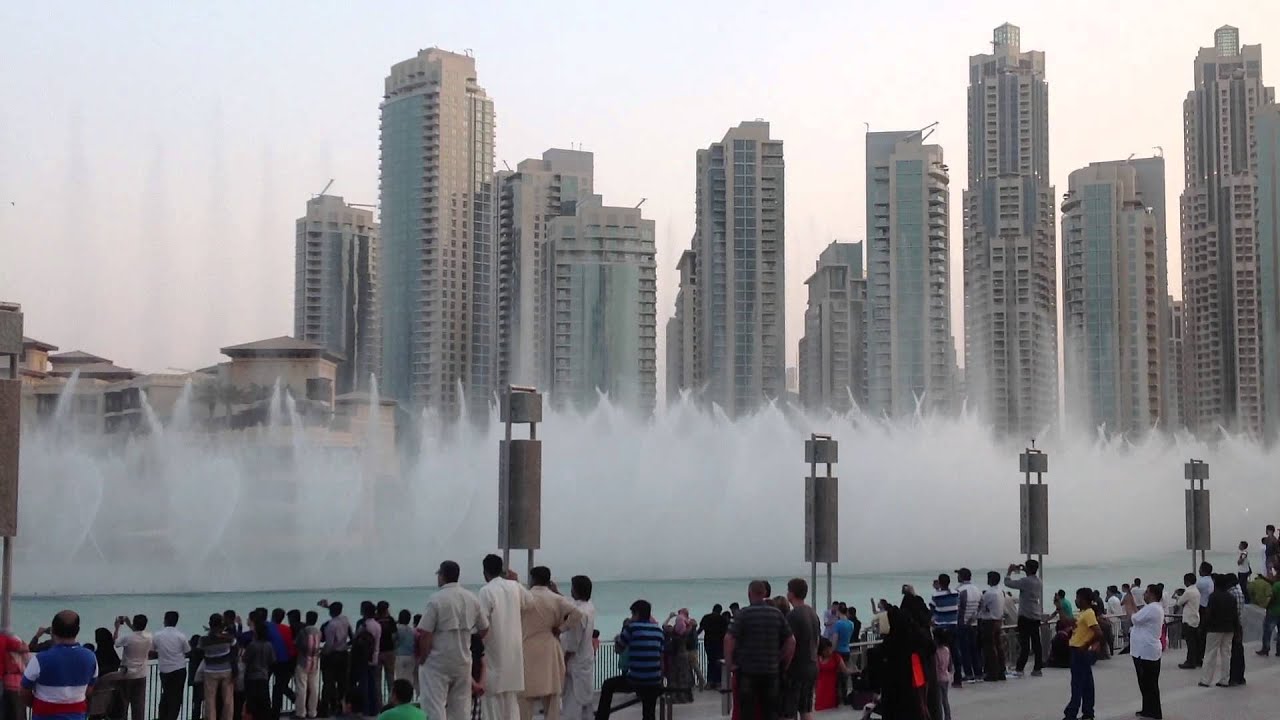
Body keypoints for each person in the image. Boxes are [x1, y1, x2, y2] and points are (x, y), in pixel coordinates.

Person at [418, 560, 489, 720]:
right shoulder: (471, 598)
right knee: (461, 708)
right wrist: (469, 641)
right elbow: (484, 628)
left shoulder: (436, 600)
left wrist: (423, 658)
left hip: (438, 662)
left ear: (442, 576)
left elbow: (426, 633)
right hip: (463, 660)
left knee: (435, 706)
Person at [725, 580, 795, 720]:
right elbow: (791, 641)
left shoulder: (743, 614)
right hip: (771, 672)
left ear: (749, 594)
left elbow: (728, 639)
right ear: (764, 594)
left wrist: (729, 664)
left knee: (747, 712)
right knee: (770, 712)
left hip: (747, 672)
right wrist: (781, 661)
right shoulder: (776, 614)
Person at [519, 566, 583, 720]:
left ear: (533, 579)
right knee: (552, 695)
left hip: (528, 647)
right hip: (550, 647)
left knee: (525, 696)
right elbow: (577, 614)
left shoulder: (525, 597)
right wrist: (561, 628)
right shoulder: (556, 598)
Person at [478, 555, 532, 720]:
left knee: (492, 707)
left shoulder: (486, 591)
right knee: (511, 706)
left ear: (485, 572)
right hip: (514, 658)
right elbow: (530, 602)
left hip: (494, 655)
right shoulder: (514, 586)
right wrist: (516, 581)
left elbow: (481, 623)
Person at [21, 611, 97, 720]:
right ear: (77, 630)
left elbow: (24, 691)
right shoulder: (90, 657)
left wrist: (37, 705)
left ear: (53, 631)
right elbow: (89, 690)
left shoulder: (40, 659)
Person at [596, 600, 665, 720]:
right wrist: (660, 679)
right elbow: (661, 657)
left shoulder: (632, 628)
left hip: (636, 679)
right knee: (649, 713)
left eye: (632, 614)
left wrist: (618, 638)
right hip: (654, 680)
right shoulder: (658, 631)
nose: (631, 617)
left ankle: (601, 718)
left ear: (637, 614)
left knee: (607, 685)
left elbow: (619, 649)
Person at [782, 578, 820, 720]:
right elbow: (817, 640)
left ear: (791, 593)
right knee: (805, 709)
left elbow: (790, 643)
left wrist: (784, 664)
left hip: (796, 668)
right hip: (811, 665)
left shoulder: (793, 615)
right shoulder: (812, 613)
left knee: (789, 711)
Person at [1062, 588, 1102, 720]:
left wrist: (1085, 645)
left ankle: (1071, 713)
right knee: (1086, 683)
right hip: (1078, 651)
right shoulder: (1083, 613)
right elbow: (1068, 621)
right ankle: (1088, 712)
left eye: (1077, 598)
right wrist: (1059, 607)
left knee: (1077, 683)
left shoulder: (1089, 613)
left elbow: (1098, 632)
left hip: (1080, 652)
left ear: (1084, 600)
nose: (1076, 600)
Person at [560, 576, 596, 720]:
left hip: (575, 664)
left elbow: (572, 644)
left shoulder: (579, 615)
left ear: (576, 590)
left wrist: (563, 662)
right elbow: (570, 603)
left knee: (572, 704)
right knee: (585, 702)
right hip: (585, 660)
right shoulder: (590, 607)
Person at [1004, 560, 1044, 677]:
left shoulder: (1025, 581)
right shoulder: (1039, 581)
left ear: (1028, 568)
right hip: (1035, 615)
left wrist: (1010, 571)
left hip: (1025, 616)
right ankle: (1037, 668)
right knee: (1036, 643)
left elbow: (1008, 583)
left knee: (1024, 644)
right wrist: (1023, 570)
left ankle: (1020, 668)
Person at [1130, 585, 1163, 719]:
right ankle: (1147, 709)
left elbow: (1134, 618)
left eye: (1146, 592)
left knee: (1149, 684)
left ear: (1152, 594)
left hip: (1146, 652)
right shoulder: (1151, 608)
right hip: (1143, 651)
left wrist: (1129, 603)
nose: (1144, 594)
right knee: (1145, 684)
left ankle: (1154, 713)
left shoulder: (1153, 608)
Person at [1199, 574, 1237, 688]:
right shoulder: (1231, 598)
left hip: (1214, 629)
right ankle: (1225, 679)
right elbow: (1235, 615)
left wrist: (1203, 627)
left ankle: (1206, 680)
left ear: (1216, 584)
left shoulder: (1213, 597)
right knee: (1226, 654)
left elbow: (1208, 614)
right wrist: (1236, 629)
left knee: (1210, 654)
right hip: (1229, 629)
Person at [153, 611, 191, 720]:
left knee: (166, 695)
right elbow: (187, 650)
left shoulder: (158, 635)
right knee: (177, 697)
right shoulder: (181, 636)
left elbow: (152, 650)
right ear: (176, 621)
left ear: (165, 620)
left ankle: (162, 716)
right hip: (179, 669)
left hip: (164, 670)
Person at [112, 614, 151, 720]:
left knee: (123, 704)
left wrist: (117, 627)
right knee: (139, 705)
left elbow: (115, 642)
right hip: (141, 674)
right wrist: (130, 624)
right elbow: (138, 633)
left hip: (126, 674)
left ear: (134, 623)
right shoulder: (149, 637)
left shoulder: (128, 638)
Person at [320, 601, 353, 718]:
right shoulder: (345, 620)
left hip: (332, 656)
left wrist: (323, 654)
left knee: (328, 683)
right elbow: (352, 636)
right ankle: (341, 707)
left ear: (330, 612)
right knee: (342, 683)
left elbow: (329, 644)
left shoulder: (330, 625)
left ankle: (325, 709)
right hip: (344, 654)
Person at [201, 614, 236, 720]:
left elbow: (199, 649)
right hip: (226, 670)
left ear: (210, 624)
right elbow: (234, 644)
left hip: (210, 671)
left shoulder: (204, 640)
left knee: (210, 700)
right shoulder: (228, 638)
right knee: (228, 700)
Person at [952, 568, 982, 685]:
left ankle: (968, 673)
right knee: (974, 649)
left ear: (961, 576)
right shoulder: (977, 589)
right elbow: (981, 605)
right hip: (973, 623)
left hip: (962, 623)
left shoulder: (960, 590)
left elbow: (957, 607)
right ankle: (978, 673)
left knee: (964, 650)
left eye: (958, 575)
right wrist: (974, 616)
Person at [244, 619, 276, 720]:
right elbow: (272, 660)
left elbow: (245, 659)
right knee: (264, 701)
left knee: (252, 701)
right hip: (264, 675)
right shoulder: (269, 645)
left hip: (252, 676)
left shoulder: (252, 645)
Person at [977, 571, 1005, 682]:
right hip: (998, 620)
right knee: (998, 646)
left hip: (989, 621)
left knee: (989, 648)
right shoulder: (1000, 592)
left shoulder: (989, 593)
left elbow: (982, 606)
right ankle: (1001, 671)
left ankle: (993, 673)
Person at [294, 611, 322, 720]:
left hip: (303, 661)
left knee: (301, 687)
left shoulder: (303, 631)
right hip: (315, 661)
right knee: (314, 687)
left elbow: (297, 644)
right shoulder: (318, 632)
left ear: (307, 619)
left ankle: (300, 712)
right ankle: (313, 712)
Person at [1174, 573, 1202, 669]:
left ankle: (1190, 661)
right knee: (1195, 641)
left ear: (1187, 581)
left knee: (1190, 642)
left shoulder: (1188, 592)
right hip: (1195, 618)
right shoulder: (1196, 591)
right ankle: (1197, 660)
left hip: (1188, 619)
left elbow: (1179, 602)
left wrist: (1177, 597)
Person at [813, 638, 848, 712]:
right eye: (826, 650)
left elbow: (845, 671)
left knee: (832, 710)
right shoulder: (817, 658)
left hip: (832, 688)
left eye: (830, 649)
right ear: (821, 651)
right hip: (820, 688)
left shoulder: (836, 657)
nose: (829, 651)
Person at [699, 605, 728, 690]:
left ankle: (710, 682)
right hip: (719, 644)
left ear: (713, 609)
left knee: (710, 662)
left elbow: (701, 629)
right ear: (720, 611)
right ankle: (718, 682)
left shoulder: (706, 617)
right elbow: (727, 632)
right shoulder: (722, 619)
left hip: (708, 643)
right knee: (719, 663)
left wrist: (693, 636)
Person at [1225, 574, 1247, 686]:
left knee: (1233, 652)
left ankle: (1233, 677)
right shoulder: (1239, 592)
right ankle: (1240, 676)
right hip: (1239, 625)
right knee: (1239, 651)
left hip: (1233, 625)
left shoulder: (1230, 594)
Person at [376, 603, 397, 703]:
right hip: (389, 651)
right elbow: (394, 636)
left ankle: (378, 702)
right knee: (390, 678)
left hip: (377, 652)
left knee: (377, 680)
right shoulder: (390, 620)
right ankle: (392, 701)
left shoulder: (375, 620)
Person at [832, 606, 854, 703]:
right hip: (847, 650)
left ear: (839, 612)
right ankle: (844, 696)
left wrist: (831, 650)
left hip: (838, 651)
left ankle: (837, 698)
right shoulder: (851, 624)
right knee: (845, 674)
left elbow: (835, 639)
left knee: (837, 675)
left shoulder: (838, 624)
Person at [393, 611, 417, 694]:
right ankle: (409, 695)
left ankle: (400, 695)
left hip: (400, 655)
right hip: (411, 656)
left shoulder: (397, 628)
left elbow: (394, 639)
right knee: (409, 678)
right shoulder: (411, 630)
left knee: (399, 678)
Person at [1258, 572, 1280, 656]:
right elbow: (1273, 582)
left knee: (1267, 631)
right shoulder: (1276, 584)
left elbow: (1272, 598)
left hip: (1273, 612)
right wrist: (1264, 578)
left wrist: (1266, 606)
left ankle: (1265, 649)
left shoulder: (1276, 586)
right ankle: (1279, 651)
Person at [932, 629, 952, 720]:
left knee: (938, 701)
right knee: (945, 699)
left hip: (938, 678)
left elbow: (935, 666)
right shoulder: (947, 650)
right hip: (946, 676)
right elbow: (949, 664)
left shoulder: (936, 652)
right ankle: (948, 716)